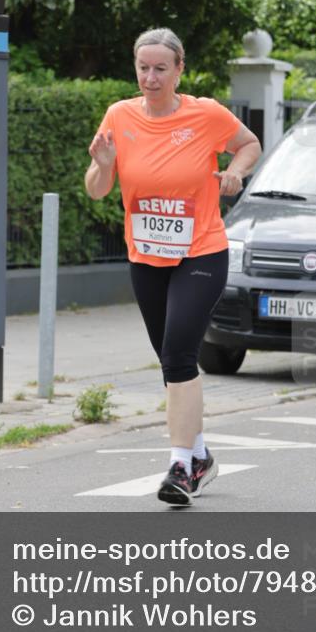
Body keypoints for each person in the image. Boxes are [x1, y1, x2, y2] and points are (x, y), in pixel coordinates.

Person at [85, 28, 261, 505]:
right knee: (171, 360)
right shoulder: (119, 116)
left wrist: (235, 171)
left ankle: (181, 466)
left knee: (181, 354)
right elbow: (98, 188)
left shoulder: (204, 114)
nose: (151, 77)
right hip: (146, 255)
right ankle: (200, 454)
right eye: (143, 67)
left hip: (201, 252)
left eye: (161, 68)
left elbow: (249, 143)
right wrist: (102, 164)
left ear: (180, 69)